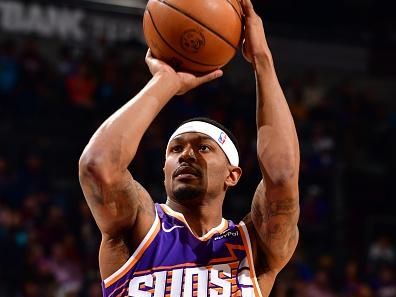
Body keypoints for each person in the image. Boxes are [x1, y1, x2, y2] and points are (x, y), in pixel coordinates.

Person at [78, 0, 300, 295]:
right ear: (164, 169)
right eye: (175, 149)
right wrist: (165, 82)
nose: (185, 154)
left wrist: (262, 60)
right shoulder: (139, 227)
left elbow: (283, 177)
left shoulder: (253, 246)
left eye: (203, 148)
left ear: (232, 175)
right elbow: (97, 165)